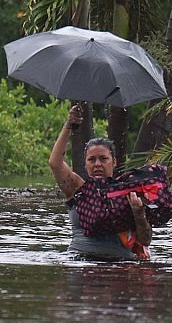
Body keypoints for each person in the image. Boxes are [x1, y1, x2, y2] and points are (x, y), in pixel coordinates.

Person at [50, 104, 151, 261]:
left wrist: (138, 213)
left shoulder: (129, 193)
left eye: (103, 159)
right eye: (91, 160)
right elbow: (55, 163)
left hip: (119, 266)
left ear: (114, 162)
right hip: (80, 260)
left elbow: (145, 240)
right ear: (85, 164)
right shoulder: (78, 189)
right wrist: (69, 124)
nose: (97, 164)